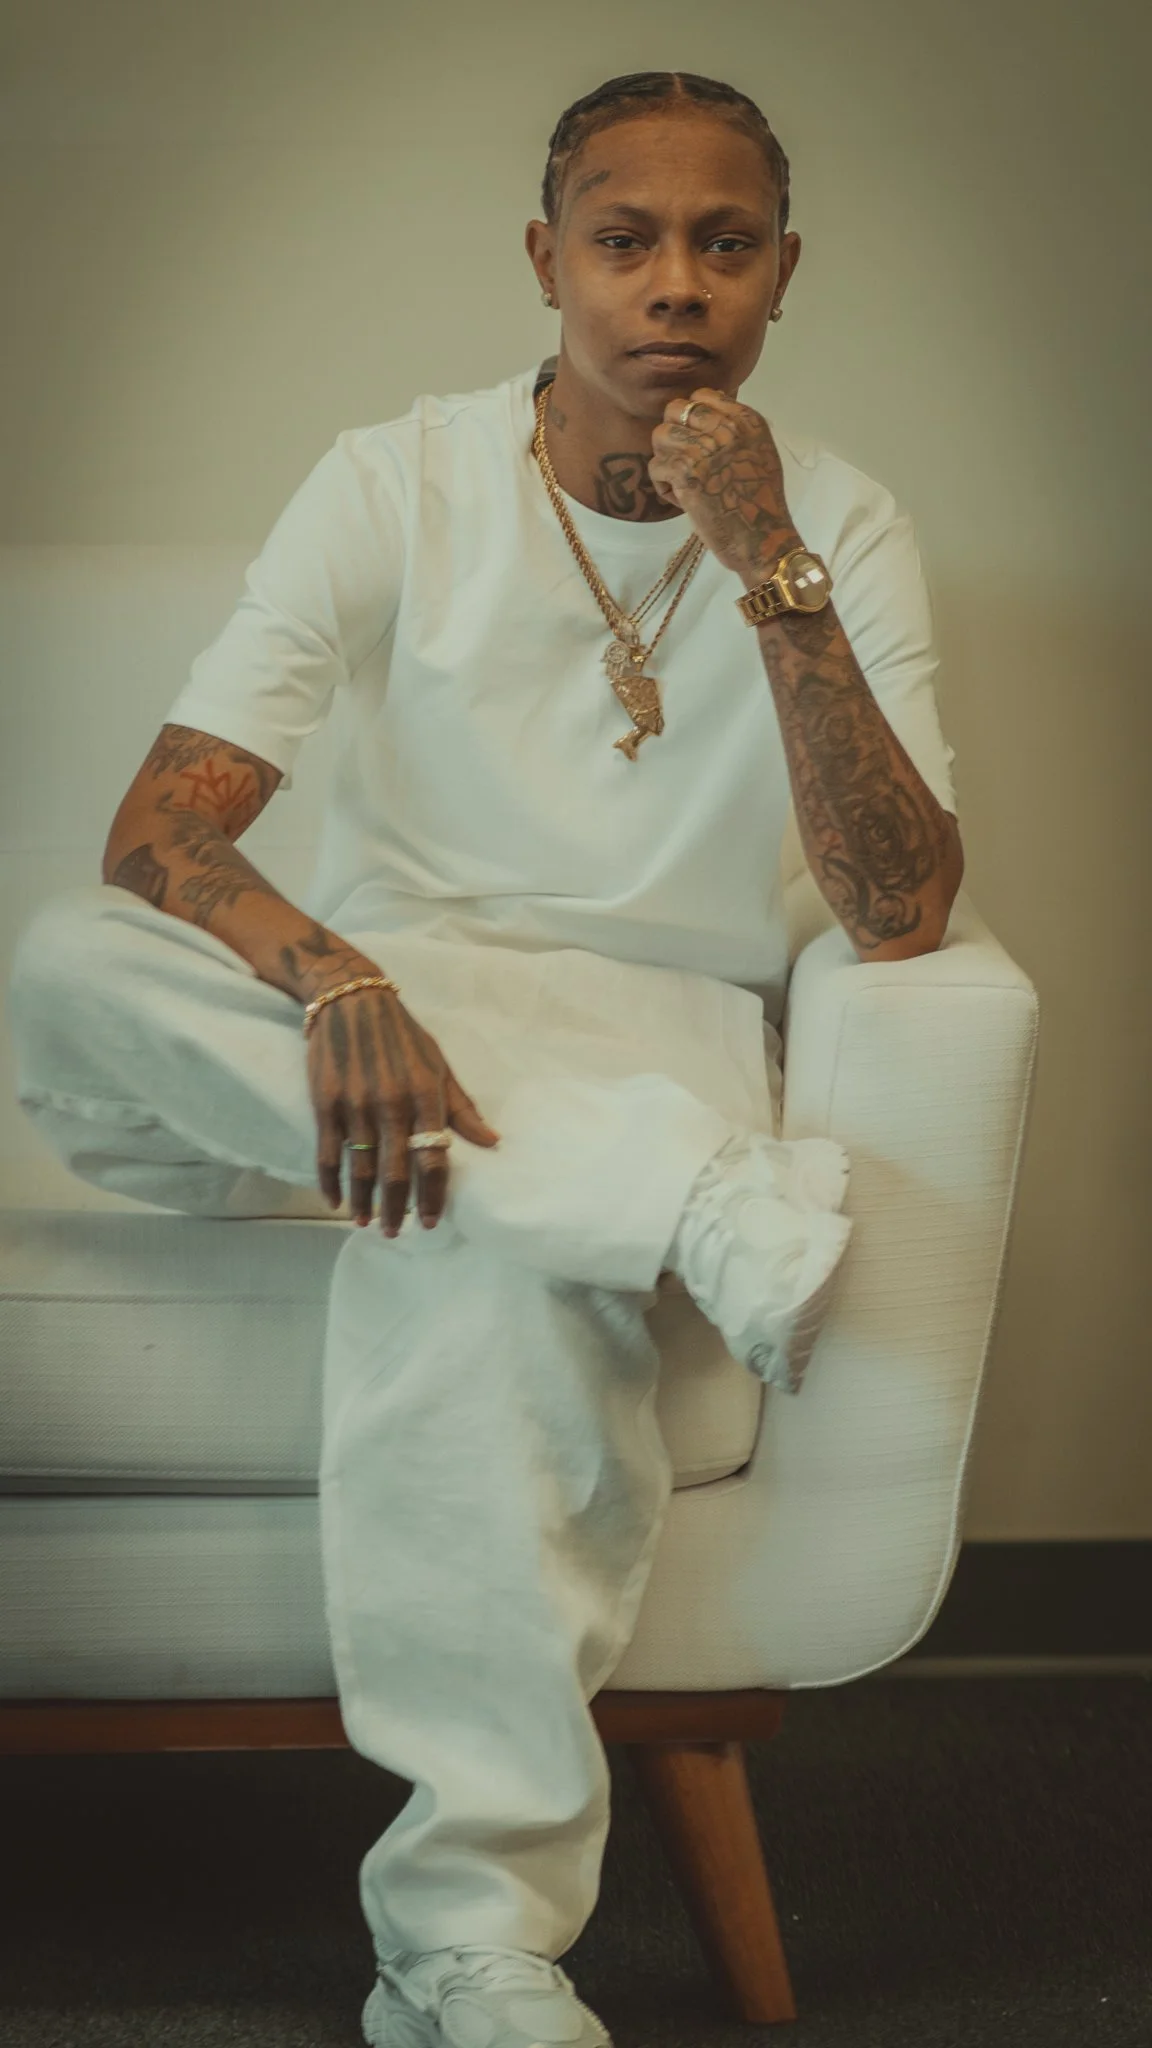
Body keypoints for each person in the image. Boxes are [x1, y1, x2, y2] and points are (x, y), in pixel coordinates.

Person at [6, 67, 964, 2048]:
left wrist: (768, 559)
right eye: (626, 239)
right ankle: (688, 1212)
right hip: (374, 1031)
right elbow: (162, 827)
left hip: (650, 1028)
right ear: (549, 261)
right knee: (68, 965)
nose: (674, 284)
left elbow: (899, 910)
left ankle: (472, 1948)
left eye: (726, 242)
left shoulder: (842, 525)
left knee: (482, 1273)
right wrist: (340, 980)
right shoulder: (397, 478)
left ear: (787, 270)